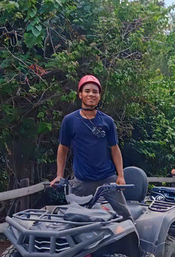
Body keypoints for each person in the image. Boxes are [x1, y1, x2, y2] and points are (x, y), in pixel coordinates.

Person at [53, 74, 131, 220]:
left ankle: (134, 242)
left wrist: (120, 176)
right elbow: (63, 148)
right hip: (82, 180)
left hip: (107, 179)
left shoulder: (107, 121)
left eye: (95, 92)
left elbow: (115, 149)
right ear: (80, 95)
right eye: (87, 91)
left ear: (99, 96)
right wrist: (59, 175)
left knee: (125, 216)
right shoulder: (69, 120)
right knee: (75, 220)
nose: (91, 94)